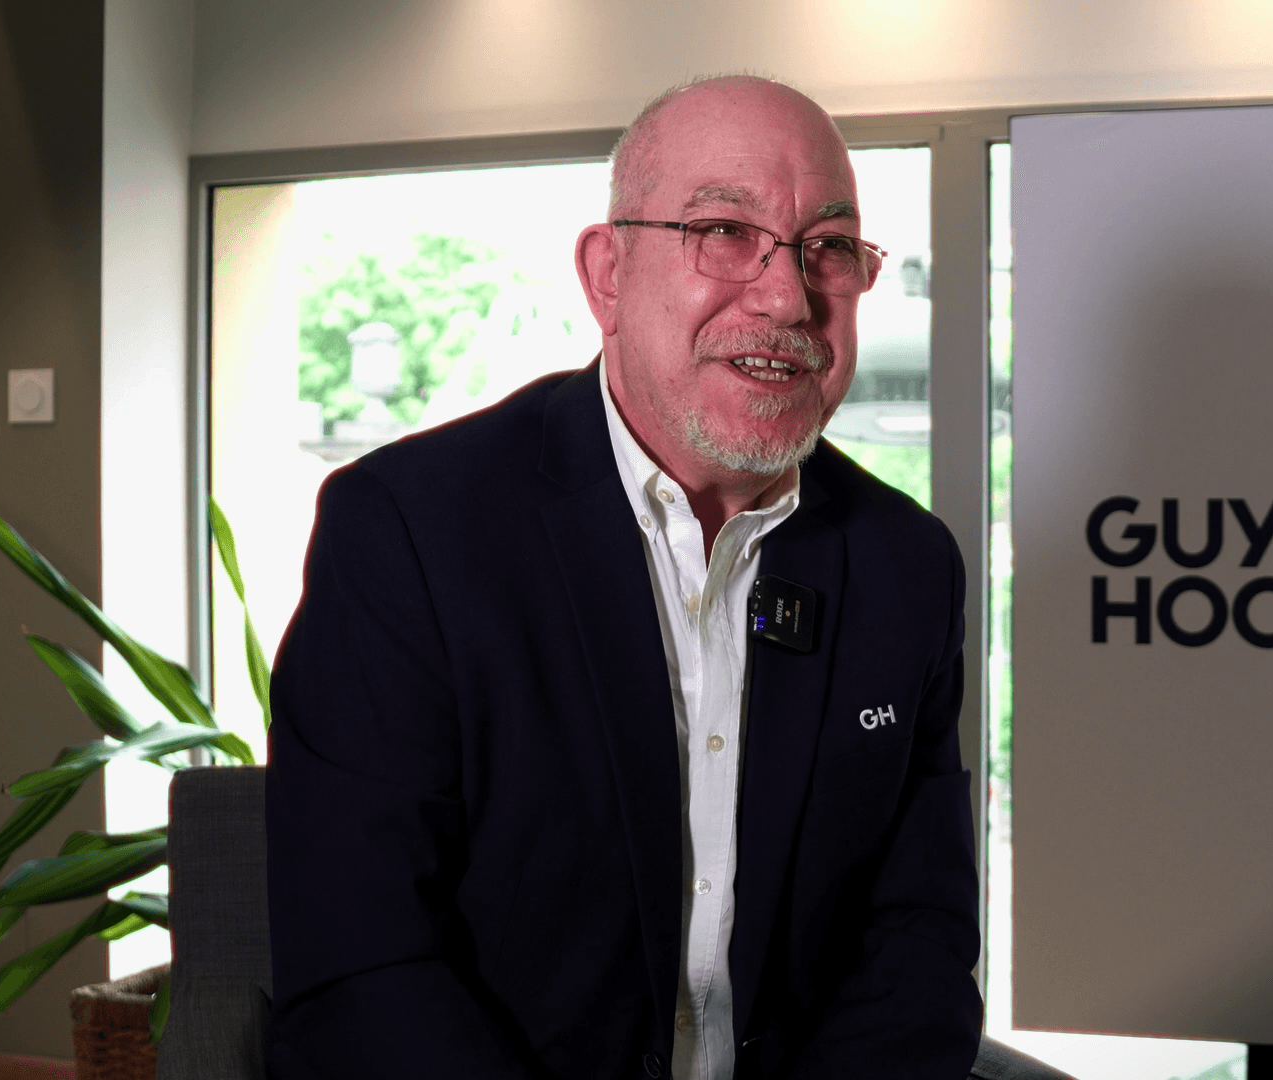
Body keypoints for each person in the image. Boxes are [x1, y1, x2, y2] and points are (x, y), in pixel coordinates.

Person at [265, 75, 982, 1080]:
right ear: (607, 276)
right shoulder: (409, 531)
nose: (787, 297)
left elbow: (918, 942)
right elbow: (362, 966)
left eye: (827, 246)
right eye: (724, 231)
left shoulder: (906, 565)